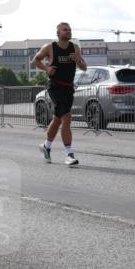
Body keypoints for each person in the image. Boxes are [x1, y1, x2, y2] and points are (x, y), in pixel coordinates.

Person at [32, 22, 87, 166]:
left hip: (69, 88)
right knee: (67, 117)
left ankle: (46, 146)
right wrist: (46, 68)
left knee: (58, 119)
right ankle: (69, 154)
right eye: (65, 30)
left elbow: (84, 67)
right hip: (55, 87)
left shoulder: (74, 48)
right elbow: (35, 60)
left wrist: (78, 60)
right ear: (58, 33)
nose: (68, 32)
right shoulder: (50, 47)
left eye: (70, 30)